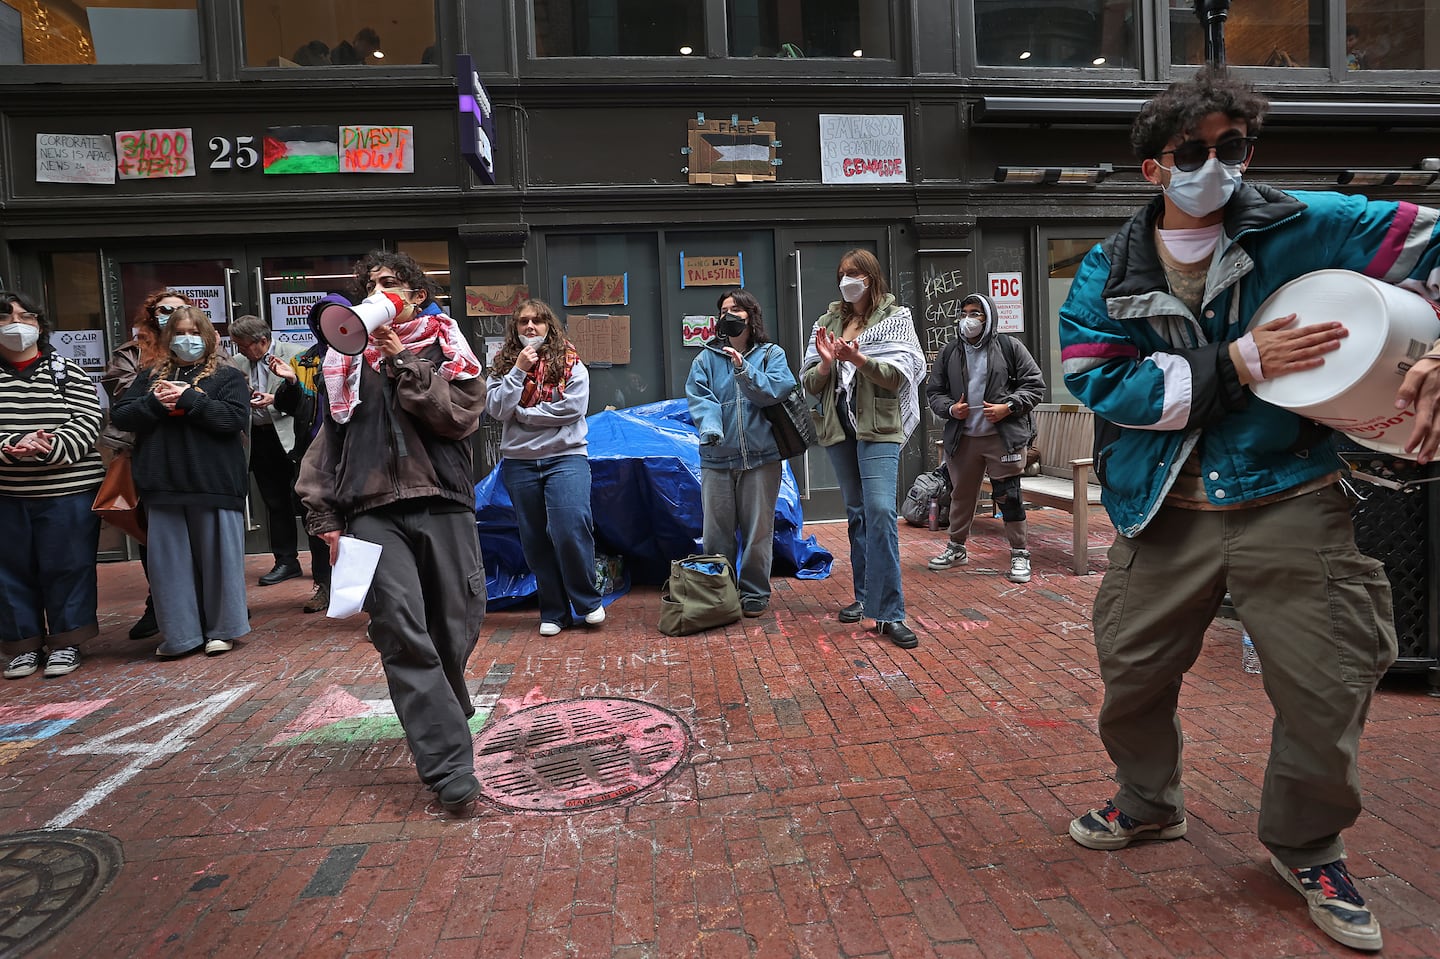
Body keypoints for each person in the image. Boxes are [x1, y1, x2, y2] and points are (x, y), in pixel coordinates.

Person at [1057, 67, 1440, 953]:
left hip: (1292, 498)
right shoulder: (1109, 267)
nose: (1216, 167)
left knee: (1327, 684)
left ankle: (1307, 843)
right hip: (1164, 509)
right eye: (1193, 152)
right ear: (1153, 168)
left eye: (1233, 147)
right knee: (1131, 675)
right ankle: (1148, 801)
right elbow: (1101, 381)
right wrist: (1241, 361)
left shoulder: (1310, 223)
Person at [296, 250, 487, 811]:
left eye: (390, 283)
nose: (378, 290)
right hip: (371, 508)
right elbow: (329, 444)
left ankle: (445, 699)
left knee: (455, 623)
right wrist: (326, 518)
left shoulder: (445, 346)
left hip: (443, 501)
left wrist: (405, 362)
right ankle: (448, 764)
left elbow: (458, 419)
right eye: (369, 284)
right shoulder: (343, 361)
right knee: (401, 629)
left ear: (417, 295)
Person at [801, 249, 927, 649]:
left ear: (871, 279)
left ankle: (890, 613)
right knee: (856, 513)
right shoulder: (828, 321)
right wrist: (825, 365)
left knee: (880, 510)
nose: (846, 281)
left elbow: (898, 377)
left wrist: (857, 358)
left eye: (854, 274)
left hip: (879, 426)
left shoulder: (896, 319)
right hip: (838, 425)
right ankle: (864, 597)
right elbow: (809, 383)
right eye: (842, 274)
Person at [111, 306, 251, 659]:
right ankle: (181, 635)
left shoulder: (227, 376)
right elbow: (122, 415)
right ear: (167, 338)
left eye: (193, 331)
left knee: (220, 564)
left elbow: (233, 419)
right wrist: (154, 403)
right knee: (169, 568)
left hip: (214, 485)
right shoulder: (149, 377)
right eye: (178, 332)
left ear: (207, 336)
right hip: (163, 484)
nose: (186, 339)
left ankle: (223, 630)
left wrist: (191, 400)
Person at [0, 289, 104, 680]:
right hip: (6, 493)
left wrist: (49, 447)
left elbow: (88, 420)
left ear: (40, 325)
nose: (16, 325)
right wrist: (10, 448)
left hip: (69, 490)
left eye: (25, 317)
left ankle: (66, 642)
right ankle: (21, 646)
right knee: (9, 572)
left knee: (69, 565)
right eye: (5, 318)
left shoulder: (66, 370)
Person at [485, 298, 604, 636]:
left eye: (537, 320)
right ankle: (553, 611)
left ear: (549, 325)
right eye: (523, 322)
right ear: (515, 328)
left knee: (570, 527)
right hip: (520, 463)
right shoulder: (504, 364)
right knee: (535, 539)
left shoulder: (570, 361)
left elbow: (572, 410)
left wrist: (522, 415)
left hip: (566, 457)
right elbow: (495, 408)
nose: (530, 327)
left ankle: (587, 601)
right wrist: (519, 370)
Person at [685, 288, 797, 617]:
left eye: (736, 309)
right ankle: (719, 592)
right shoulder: (705, 357)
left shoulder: (770, 354)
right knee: (716, 533)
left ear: (751, 315)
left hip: (762, 458)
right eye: (723, 310)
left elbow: (778, 389)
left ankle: (754, 592)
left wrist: (744, 371)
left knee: (758, 530)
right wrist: (710, 428)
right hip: (717, 459)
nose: (729, 315)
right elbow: (699, 396)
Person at [925, 291, 1046, 583]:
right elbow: (934, 392)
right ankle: (956, 548)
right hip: (964, 438)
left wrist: (1009, 407)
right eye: (964, 312)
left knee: (1009, 495)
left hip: (1001, 437)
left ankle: (1019, 554)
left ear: (988, 317)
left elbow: (1035, 385)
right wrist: (952, 409)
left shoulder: (1009, 347)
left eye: (975, 313)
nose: (968, 319)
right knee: (961, 496)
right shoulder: (950, 352)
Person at [99, 289, 192, 640]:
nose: (172, 315)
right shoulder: (131, 352)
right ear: (152, 314)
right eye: (165, 310)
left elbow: (226, 388)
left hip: (196, 449)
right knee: (153, 533)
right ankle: (160, 604)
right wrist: (164, 382)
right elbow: (124, 396)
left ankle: (208, 600)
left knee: (201, 530)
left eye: (181, 310)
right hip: (146, 450)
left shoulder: (205, 344)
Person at [230, 315, 305, 588]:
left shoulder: (296, 355)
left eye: (243, 346)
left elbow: (308, 397)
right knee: (274, 502)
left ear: (263, 341)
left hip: (292, 437)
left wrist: (276, 399)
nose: (239, 351)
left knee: (307, 500)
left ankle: (325, 565)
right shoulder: (236, 364)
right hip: (260, 439)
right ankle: (286, 561)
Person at [271, 312, 334, 614]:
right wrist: (292, 382)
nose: (328, 326)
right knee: (319, 524)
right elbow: (291, 405)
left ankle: (367, 591)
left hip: (355, 451)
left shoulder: (366, 353)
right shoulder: (306, 361)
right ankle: (323, 585)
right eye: (320, 322)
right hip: (315, 451)